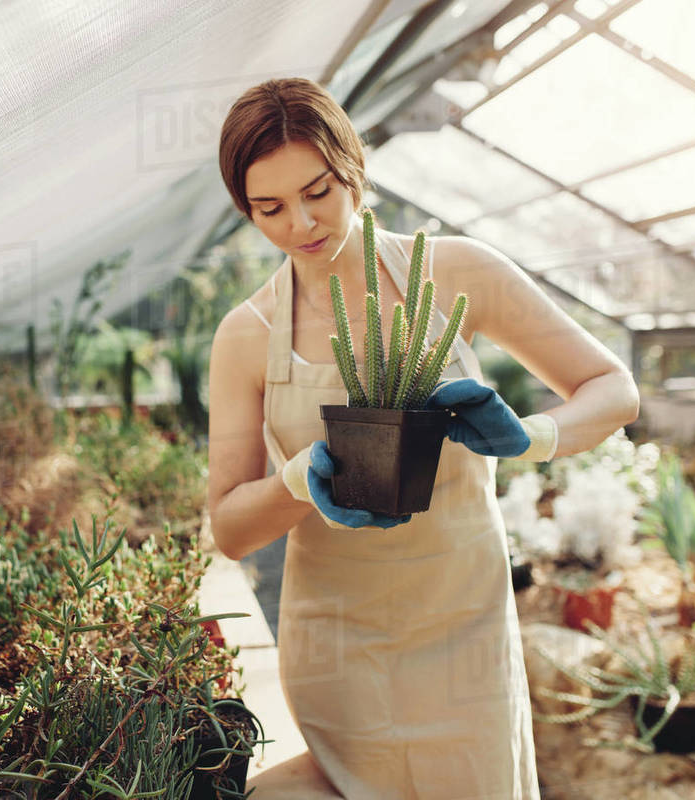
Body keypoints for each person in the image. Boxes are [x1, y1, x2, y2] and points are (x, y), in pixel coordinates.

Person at [207, 77, 640, 799]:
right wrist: (297, 481)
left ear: (354, 167)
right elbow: (228, 527)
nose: (301, 224)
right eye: (269, 208)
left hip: (461, 623)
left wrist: (529, 437)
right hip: (336, 640)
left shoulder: (457, 270)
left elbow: (613, 389)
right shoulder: (245, 337)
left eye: (318, 191)